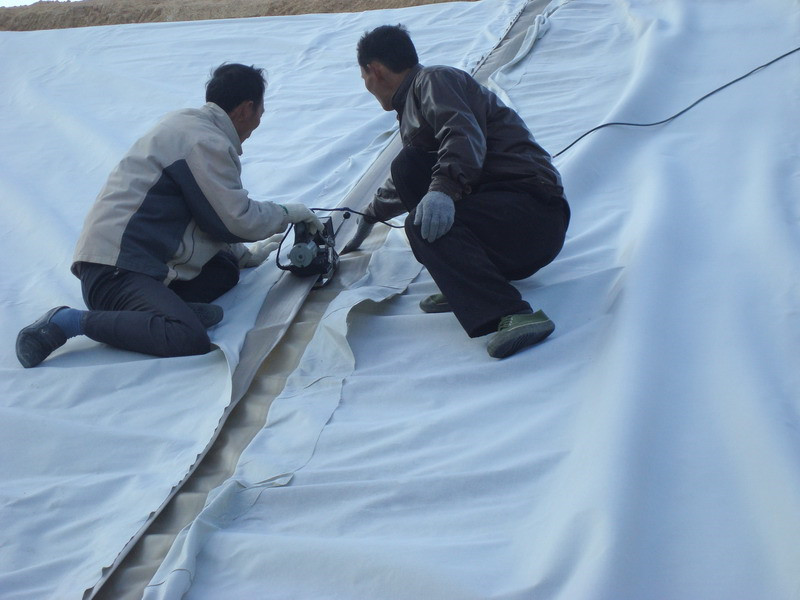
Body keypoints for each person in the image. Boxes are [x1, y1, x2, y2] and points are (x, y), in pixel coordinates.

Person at [16, 63, 321, 368]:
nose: (257, 124)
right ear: (247, 108)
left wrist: (245, 256)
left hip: (135, 264)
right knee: (187, 337)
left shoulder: (189, 127)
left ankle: (174, 308)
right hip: (116, 273)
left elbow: (208, 215)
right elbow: (235, 218)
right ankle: (67, 322)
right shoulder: (204, 141)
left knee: (226, 269)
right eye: (260, 114)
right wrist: (288, 213)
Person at [343, 25, 570, 359]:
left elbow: (461, 134)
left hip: (532, 211)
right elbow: (411, 172)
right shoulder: (413, 106)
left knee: (419, 221)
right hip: (507, 226)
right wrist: (369, 214)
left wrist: (443, 191)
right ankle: (468, 285)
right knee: (407, 168)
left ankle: (515, 314)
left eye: (362, 76)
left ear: (373, 70)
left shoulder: (434, 80)